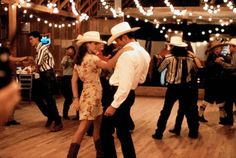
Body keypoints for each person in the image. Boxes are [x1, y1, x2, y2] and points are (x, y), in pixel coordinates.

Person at [100, 21, 151, 158]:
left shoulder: (127, 55)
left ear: (124, 38)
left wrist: (113, 105)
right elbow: (141, 80)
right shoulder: (144, 53)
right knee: (123, 132)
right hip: (128, 95)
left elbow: (123, 86)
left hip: (118, 95)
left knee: (105, 132)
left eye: (117, 40)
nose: (117, 44)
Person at [152, 35, 199, 140]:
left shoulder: (168, 58)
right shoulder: (190, 58)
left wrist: (159, 60)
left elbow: (159, 70)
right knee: (188, 111)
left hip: (173, 88)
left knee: (165, 111)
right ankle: (193, 132)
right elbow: (195, 71)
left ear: (173, 47)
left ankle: (159, 133)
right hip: (186, 88)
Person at [67, 31, 105, 158]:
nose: (97, 46)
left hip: (88, 94)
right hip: (93, 96)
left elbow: (73, 80)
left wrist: (76, 99)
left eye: (98, 43)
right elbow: (109, 66)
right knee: (83, 128)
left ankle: (100, 154)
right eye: (95, 43)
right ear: (87, 45)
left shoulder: (79, 60)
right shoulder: (93, 58)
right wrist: (122, 53)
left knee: (96, 127)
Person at [28, 31, 63, 132]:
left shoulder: (42, 48)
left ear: (37, 38)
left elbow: (38, 63)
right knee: (36, 96)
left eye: (31, 39)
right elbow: (37, 65)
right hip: (43, 75)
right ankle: (51, 115)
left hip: (48, 75)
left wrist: (31, 66)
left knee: (49, 99)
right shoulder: (38, 49)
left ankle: (58, 121)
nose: (30, 41)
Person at [198, 40, 227, 123]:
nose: (221, 49)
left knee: (219, 99)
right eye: (219, 47)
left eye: (221, 47)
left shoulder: (219, 55)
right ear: (215, 49)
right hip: (212, 82)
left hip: (216, 81)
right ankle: (200, 115)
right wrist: (216, 62)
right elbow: (208, 66)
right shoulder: (211, 55)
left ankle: (222, 118)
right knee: (208, 99)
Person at [215, 38, 236, 125]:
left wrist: (221, 63)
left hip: (233, 81)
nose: (229, 47)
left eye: (230, 46)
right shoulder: (233, 55)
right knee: (229, 101)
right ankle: (229, 120)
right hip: (233, 81)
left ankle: (229, 120)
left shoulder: (235, 54)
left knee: (229, 101)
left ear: (234, 47)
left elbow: (233, 67)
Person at [0, 46, 21, 126]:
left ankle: (11, 119)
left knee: (13, 101)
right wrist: (25, 58)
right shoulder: (5, 56)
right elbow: (13, 59)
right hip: (6, 81)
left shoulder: (9, 57)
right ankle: (6, 120)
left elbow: (16, 62)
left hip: (12, 78)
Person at [61, 46, 76, 120]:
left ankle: (78, 115)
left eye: (71, 51)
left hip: (74, 78)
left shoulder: (76, 58)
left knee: (77, 96)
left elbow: (76, 66)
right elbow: (64, 65)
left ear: (73, 51)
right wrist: (67, 57)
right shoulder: (65, 58)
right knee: (68, 98)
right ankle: (65, 114)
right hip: (66, 78)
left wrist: (73, 59)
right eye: (68, 51)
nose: (69, 52)